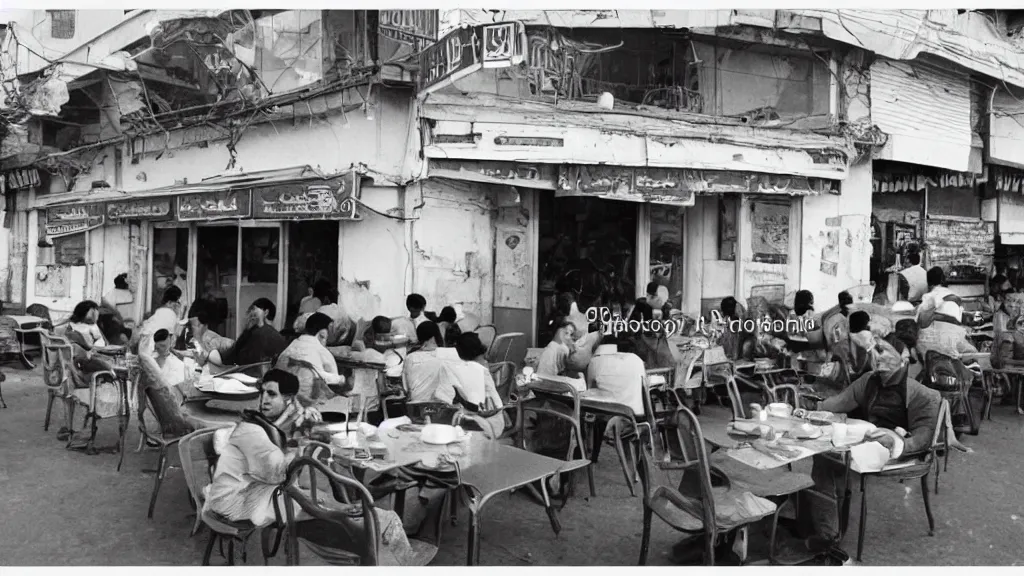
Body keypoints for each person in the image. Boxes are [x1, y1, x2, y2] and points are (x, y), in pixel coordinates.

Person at [203, 370, 430, 565]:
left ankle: (356, 522)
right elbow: (278, 473)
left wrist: (302, 431)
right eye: (262, 393)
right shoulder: (251, 430)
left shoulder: (269, 427)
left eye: (271, 394)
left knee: (329, 500)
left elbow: (286, 467)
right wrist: (299, 436)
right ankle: (370, 539)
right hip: (236, 501)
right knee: (339, 511)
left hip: (258, 492)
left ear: (290, 400)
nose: (264, 399)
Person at [796, 339, 965, 551]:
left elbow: (924, 436)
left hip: (903, 451)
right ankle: (825, 529)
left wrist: (897, 443)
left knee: (833, 458)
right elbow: (838, 403)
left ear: (903, 359)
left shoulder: (920, 393)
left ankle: (829, 535)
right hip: (869, 441)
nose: (878, 357)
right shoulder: (868, 380)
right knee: (826, 452)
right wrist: (804, 409)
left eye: (885, 352)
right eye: (876, 351)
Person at [583, 335, 648, 464]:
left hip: (608, 414)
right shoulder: (637, 360)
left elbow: (589, 386)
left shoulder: (595, 361)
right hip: (636, 415)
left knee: (594, 414)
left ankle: (592, 454)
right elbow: (643, 388)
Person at [436, 332, 506, 438]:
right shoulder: (483, 369)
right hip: (493, 421)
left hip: (482, 424)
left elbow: (443, 397)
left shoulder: (464, 369)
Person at [276, 312, 346, 405]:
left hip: (282, 398)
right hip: (310, 403)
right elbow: (334, 383)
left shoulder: (291, 346)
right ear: (322, 335)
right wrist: (342, 379)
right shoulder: (323, 352)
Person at [202, 299, 287, 376]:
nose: (250, 314)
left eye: (254, 309)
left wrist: (247, 330)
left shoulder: (261, 333)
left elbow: (233, 359)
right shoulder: (273, 335)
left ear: (265, 312)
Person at [403, 321, 452, 403]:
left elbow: (406, 388)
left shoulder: (410, 358)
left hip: (416, 406)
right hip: (441, 405)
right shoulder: (446, 356)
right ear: (435, 336)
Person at [136, 285, 185, 357]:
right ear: (169, 303)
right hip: (153, 353)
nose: (178, 306)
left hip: (144, 351)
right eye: (177, 302)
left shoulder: (159, 312)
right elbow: (166, 343)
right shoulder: (170, 314)